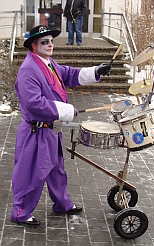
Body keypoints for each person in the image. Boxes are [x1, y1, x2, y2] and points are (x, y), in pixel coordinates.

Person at [10, 25, 111, 227]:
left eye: (51, 41)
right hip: (36, 132)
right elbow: (33, 103)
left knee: (57, 170)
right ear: (33, 45)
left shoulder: (47, 62)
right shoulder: (28, 69)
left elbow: (69, 74)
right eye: (44, 42)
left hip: (51, 129)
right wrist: (66, 110)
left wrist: (95, 71)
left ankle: (62, 204)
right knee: (34, 173)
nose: (50, 45)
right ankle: (20, 213)